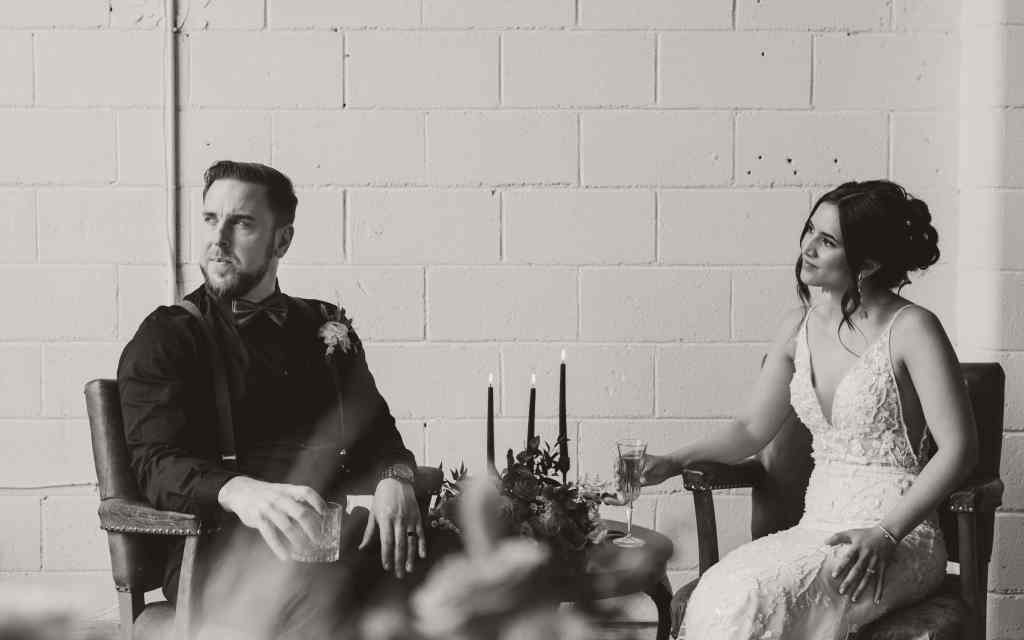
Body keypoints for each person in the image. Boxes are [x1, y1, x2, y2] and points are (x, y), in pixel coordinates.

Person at [641, 180, 978, 639]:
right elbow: (750, 428)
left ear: (870, 262)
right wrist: (673, 459)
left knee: (750, 599)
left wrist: (886, 533)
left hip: (897, 537)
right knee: (723, 591)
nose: (807, 248)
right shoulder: (796, 325)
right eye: (810, 231)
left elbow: (959, 450)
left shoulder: (913, 328)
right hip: (815, 527)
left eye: (828, 241)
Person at [117, 161, 426, 625]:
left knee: (454, 570)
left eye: (240, 222)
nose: (217, 239)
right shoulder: (168, 336)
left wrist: (395, 478)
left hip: (325, 544)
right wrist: (239, 491)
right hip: (215, 555)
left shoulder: (323, 325)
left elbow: (380, 436)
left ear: (282, 240)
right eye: (209, 219)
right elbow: (156, 463)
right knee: (337, 603)